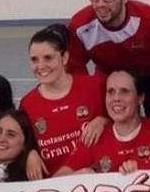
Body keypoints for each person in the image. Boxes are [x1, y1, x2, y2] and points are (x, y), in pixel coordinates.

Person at [20, 24, 107, 177]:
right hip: (56, 191)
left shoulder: (94, 87)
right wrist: (29, 152)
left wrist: (104, 120)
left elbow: (126, 122)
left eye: (48, 58)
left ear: (65, 57)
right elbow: (21, 141)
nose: (41, 66)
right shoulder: (27, 104)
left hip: (97, 183)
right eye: (34, 60)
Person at [57, 70, 150, 175]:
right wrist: (75, 177)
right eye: (111, 91)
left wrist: (144, 172)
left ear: (140, 97)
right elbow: (55, 181)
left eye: (124, 91)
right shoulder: (94, 136)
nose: (116, 98)